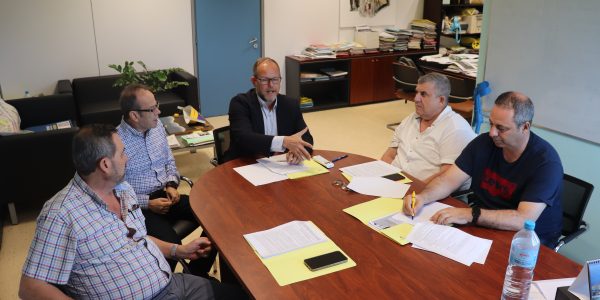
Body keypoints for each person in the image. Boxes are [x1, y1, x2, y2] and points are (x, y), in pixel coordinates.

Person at [19, 124, 246, 299]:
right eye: (123, 154)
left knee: (250, 296)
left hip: (173, 285)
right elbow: (31, 288)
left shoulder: (123, 189)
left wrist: (179, 250)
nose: (127, 158)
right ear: (105, 165)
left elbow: (138, 238)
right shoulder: (61, 214)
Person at [404, 92, 563, 247]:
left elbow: (522, 220)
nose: (492, 133)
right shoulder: (483, 143)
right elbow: (448, 180)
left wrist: (469, 214)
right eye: (491, 123)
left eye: (501, 128)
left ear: (525, 127)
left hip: (528, 242)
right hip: (483, 225)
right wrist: (423, 197)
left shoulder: (546, 163)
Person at [117, 84, 215, 275]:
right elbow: (115, 191)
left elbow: (169, 160)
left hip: (168, 195)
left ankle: (195, 276)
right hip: (140, 206)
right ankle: (165, 285)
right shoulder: (116, 142)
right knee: (173, 245)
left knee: (216, 218)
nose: (158, 111)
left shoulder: (157, 127)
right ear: (134, 116)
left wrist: (171, 184)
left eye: (157, 105)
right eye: (152, 109)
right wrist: (148, 203)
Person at [381, 72, 475, 188]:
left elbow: (447, 177)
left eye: (423, 94)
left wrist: (412, 189)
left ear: (441, 100)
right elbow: (389, 155)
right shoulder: (411, 118)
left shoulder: (456, 129)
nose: (416, 99)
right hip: (394, 184)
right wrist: (382, 178)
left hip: (426, 194)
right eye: (417, 92)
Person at [228, 57, 313, 164]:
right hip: (247, 163)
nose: (271, 85)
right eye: (264, 80)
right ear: (254, 81)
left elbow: (306, 138)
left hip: (281, 164)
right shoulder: (240, 103)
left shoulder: (290, 104)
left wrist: (297, 152)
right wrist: (283, 142)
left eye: (275, 79)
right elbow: (244, 138)